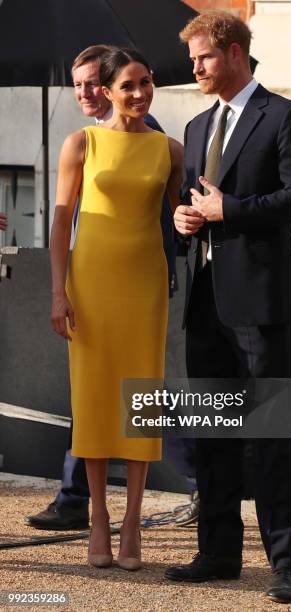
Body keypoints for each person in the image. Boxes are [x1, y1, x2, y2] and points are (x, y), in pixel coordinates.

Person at [164, 11, 291, 604]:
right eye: (193, 60)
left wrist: (234, 211)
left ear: (233, 53)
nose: (195, 68)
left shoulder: (284, 116)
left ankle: (285, 564)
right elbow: (195, 203)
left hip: (257, 302)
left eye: (202, 57)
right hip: (204, 303)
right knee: (214, 435)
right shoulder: (199, 126)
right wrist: (184, 220)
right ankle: (219, 553)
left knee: (271, 435)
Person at [27, 45, 198, 532]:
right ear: (109, 91)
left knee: (141, 397)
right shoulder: (80, 142)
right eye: (129, 85)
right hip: (92, 283)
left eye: (146, 83)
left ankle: (131, 522)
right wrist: (58, 293)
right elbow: (61, 224)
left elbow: (184, 218)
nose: (141, 92)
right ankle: (95, 514)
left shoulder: (168, 148)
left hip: (143, 285)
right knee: (94, 397)